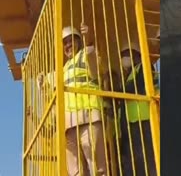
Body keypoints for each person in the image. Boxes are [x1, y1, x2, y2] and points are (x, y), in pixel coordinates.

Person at [36, 23, 108, 176]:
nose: (68, 45)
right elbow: (50, 93)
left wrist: (89, 41)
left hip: (89, 116)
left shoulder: (86, 55)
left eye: (71, 40)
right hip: (69, 124)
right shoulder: (62, 70)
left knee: (96, 167)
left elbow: (94, 63)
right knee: (75, 171)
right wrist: (41, 83)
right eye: (65, 42)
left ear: (79, 41)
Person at [119, 42, 159, 176]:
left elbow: (138, 85)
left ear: (136, 56)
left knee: (148, 160)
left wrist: (117, 92)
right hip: (131, 124)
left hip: (144, 121)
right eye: (122, 55)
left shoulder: (144, 67)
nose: (124, 58)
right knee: (134, 163)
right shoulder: (128, 76)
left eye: (127, 54)